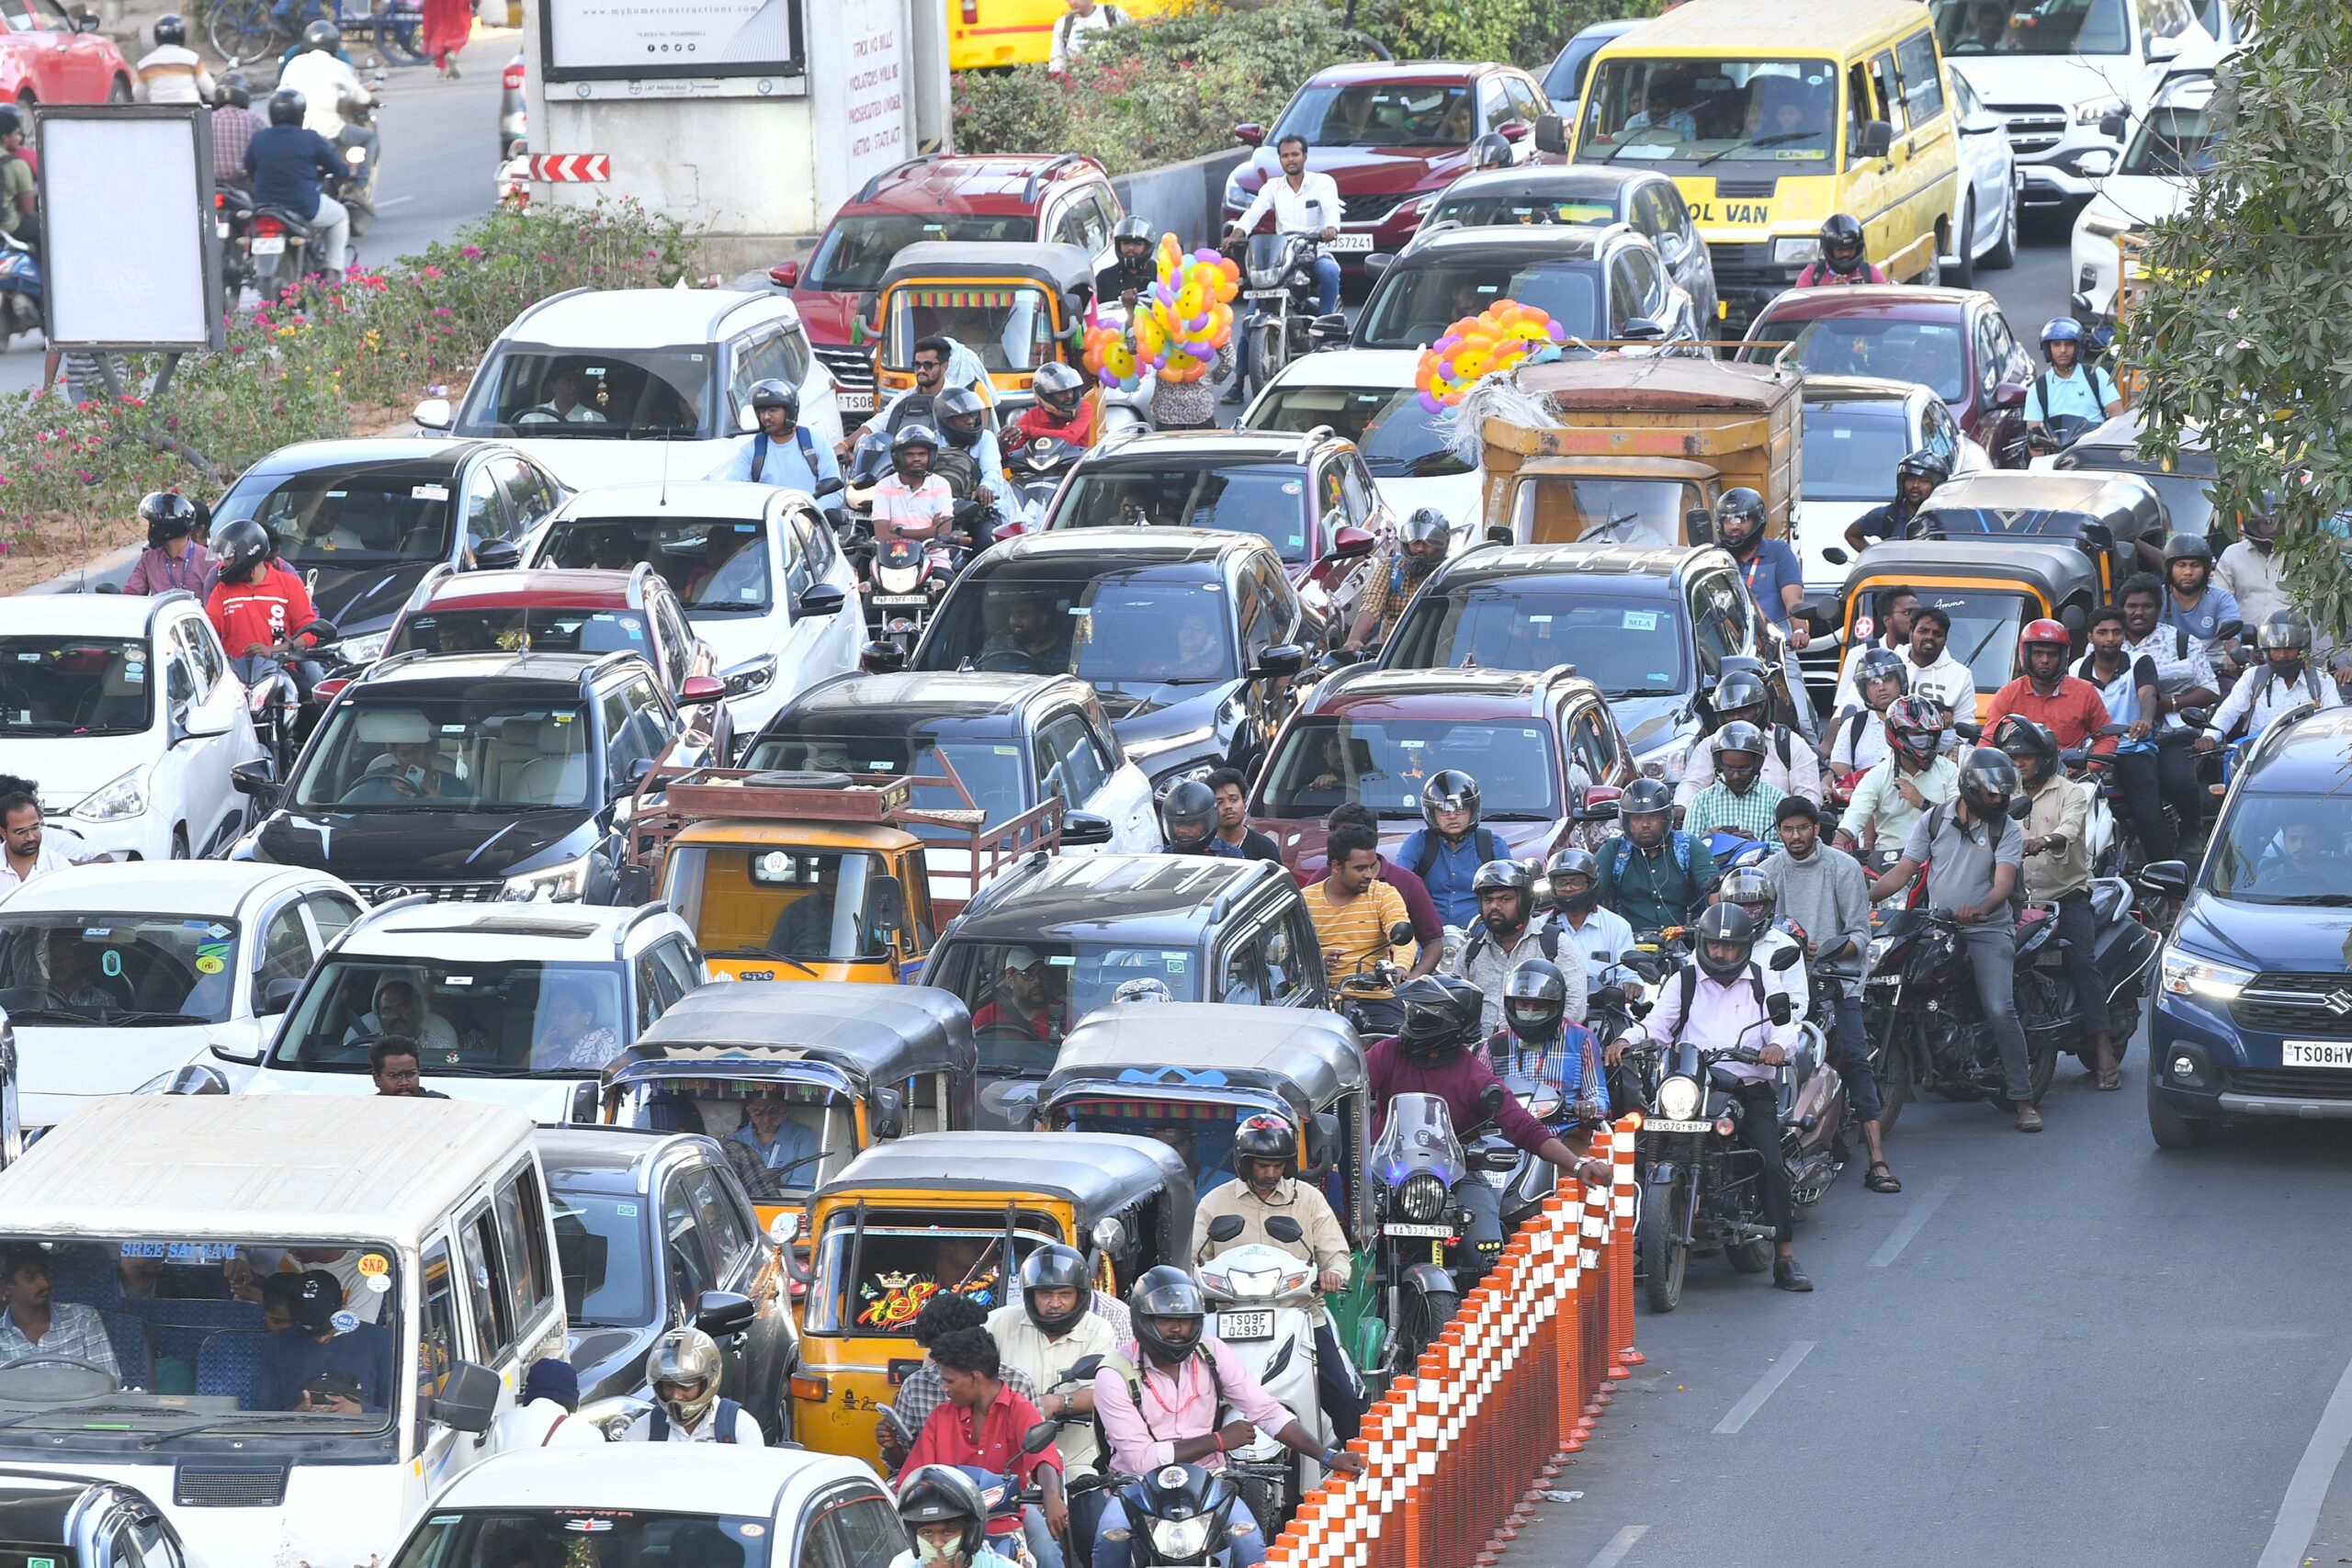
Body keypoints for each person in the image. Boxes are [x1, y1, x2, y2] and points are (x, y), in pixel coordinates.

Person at [1091, 1268, 1365, 1568]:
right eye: (1165, 1320)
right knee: (1109, 1540)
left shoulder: (1212, 1353)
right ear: (1143, 1321)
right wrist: (1219, 1440)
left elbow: (1267, 1411)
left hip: (1208, 1483)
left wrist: (1326, 1456)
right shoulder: (1113, 1372)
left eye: (1185, 1320)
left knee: (1247, 1540)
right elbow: (1142, 1460)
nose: (1177, 1329)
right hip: (1137, 1488)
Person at [1606, 905, 1813, 1288]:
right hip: (1691, 1085)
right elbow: (1657, 1026)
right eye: (1715, 946)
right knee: (1634, 1150)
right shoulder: (1683, 980)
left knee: (1769, 1162)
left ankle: (1784, 1255)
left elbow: (1785, 1029)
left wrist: (1777, 1048)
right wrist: (1625, 1040)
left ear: (1745, 947)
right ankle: (1635, 1240)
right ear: (1703, 943)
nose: (1721, 954)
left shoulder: (1763, 980)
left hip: (1748, 1088)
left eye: (1731, 948)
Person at [1368, 976, 1606, 1272]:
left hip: (1456, 1177)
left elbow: (1524, 1127)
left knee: (1488, 1256)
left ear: (1454, 1023)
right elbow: (1351, 1088)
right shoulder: (1386, 1053)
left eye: (1426, 1014)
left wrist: (1579, 1164)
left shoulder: (1475, 1075)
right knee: (1347, 1241)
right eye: (1414, 1010)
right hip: (1385, 1174)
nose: (1416, 1018)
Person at [1866, 748, 2042, 1131]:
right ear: (1970, 787)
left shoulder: (2006, 829)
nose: (1999, 800)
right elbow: (1901, 873)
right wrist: (1860, 902)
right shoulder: (1933, 819)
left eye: (2003, 794)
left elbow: (2003, 885)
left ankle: (2023, 1097)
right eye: (1992, 794)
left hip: (1988, 928)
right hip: (1935, 924)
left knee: (1999, 1007)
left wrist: (1978, 908)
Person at [1193, 1113, 1363, 1440]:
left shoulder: (1309, 1200)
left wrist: (1333, 1274)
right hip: (1229, 1319)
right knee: (1196, 1401)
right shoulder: (1214, 1203)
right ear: (1244, 1164)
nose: (1271, 1174)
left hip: (1301, 1316)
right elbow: (1192, 1259)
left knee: (1342, 1398)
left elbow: (1336, 1254)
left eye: (1278, 1166)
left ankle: (1361, 1475)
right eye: (1262, 1166)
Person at [1761, 795, 1892, 1188]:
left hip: (1838, 976)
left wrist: (1828, 947)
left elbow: (1859, 933)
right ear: (1779, 831)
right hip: (1784, 979)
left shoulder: (1844, 867)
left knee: (1854, 1057)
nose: (1796, 835)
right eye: (1788, 829)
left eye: (1803, 827)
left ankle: (1877, 1160)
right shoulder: (1768, 871)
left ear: (1816, 829)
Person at [1995, 716, 2118, 1089]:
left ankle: (2104, 1050)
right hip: (2018, 902)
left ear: (2044, 758)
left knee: (2083, 962)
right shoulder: (2001, 792)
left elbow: (2069, 829)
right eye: (2013, 757)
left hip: (2065, 898)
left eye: (2027, 757)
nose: (2019, 763)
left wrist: (2042, 841)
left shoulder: (2071, 792)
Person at [903, 1327, 1065, 1557]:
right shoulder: (940, 1417)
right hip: (947, 1523)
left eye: (949, 1381)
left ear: (974, 1377)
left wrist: (1051, 1495)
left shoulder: (1019, 1409)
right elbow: (916, 1475)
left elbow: (1043, 1456)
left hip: (1004, 1514)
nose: (943, 1388)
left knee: (1049, 1554)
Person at [984, 1245, 1121, 1503]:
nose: (1055, 1303)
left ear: (1080, 1296)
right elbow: (954, 1350)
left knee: (1092, 1525)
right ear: (1030, 1295)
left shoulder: (1098, 1330)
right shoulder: (1000, 1322)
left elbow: (1104, 1388)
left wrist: (1059, 1403)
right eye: (1045, 1293)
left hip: (1074, 1461)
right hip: (1009, 1459)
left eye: (1064, 1294)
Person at [881, 1294, 1045, 1471]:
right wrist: (891, 1446)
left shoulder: (1017, 1384)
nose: (935, 1357)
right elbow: (905, 1465)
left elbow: (1039, 1453)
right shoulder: (916, 1388)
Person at [2118, 572, 2218, 855]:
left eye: (2146, 606)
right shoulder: (2109, 642)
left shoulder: (2181, 641)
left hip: (2171, 733)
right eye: (2132, 606)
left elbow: (2211, 689)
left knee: (2177, 777)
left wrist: (2171, 703)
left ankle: (2190, 831)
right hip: (2120, 735)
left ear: (2158, 608)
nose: (2138, 612)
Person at [1307, 823, 1433, 1032]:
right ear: (1337, 866)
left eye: (1371, 866)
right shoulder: (1305, 900)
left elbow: (1402, 934)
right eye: (1360, 868)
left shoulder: (1384, 893)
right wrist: (1317, 965)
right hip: (1320, 1001)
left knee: (1395, 1042)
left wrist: (1401, 967)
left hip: (1376, 998)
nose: (1369, 874)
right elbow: (1288, 957)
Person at [1448, 859, 1584, 1036]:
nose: (1495, 906)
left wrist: (1540, 1038)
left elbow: (1575, 1006)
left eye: (1505, 899)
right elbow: (1453, 1006)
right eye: (1488, 900)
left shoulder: (1554, 944)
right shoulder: (1470, 952)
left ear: (1525, 900)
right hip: (1479, 1054)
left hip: (1540, 1052)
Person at [1224, 134, 1344, 319]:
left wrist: (1330, 229)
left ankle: (1325, 328)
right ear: (1280, 159)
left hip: (1314, 252)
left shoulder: (1322, 182)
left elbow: (1330, 211)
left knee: (1330, 272)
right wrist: (1235, 235)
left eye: (1295, 154)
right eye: (1285, 156)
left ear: (1305, 156)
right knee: (1253, 309)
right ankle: (1245, 345)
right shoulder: (1272, 187)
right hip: (1283, 256)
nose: (1290, 160)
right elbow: (1252, 214)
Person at [1673, 668, 1820, 809]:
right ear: (1721, 715)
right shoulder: (1709, 745)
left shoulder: (1789, 743)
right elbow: (1692, 784)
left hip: (1776, 830)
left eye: (1744, 710)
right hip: (1720, 829)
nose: (1737, 717)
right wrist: (1682, 807)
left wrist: (1790, 820)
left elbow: (1808, 797)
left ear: (1760, 708)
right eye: (1730, 713)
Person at [244, 88, 350, 285]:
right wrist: (343, 173)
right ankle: (332, 269)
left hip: (265, 207)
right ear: (301, 114)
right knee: (340, 216)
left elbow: (249, 169)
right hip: (303, 206)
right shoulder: (310, 138)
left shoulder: (259, 138)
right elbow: (339, 169)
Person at [1312, 803, 1445, 953]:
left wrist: (1410, 974)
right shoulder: (1320, 881)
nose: (1332, 844)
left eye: (1342, 837)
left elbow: (1433, 942)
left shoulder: (1407, 883)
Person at [1835, 695, 1957, 857]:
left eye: (1931, 736)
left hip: (1939, 860)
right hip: (1888, 862)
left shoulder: (1949, 770)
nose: (1926, 743)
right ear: (1897, 735)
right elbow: (1855, 815)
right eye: (1918, 736)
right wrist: (1838, 844)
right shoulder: (1877, 776)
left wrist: (1923, 802)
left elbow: (1961, 818)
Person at [257, 1269, 394, 1412]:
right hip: (298, 1430)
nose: (322, 1339)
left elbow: (399, 1412)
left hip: (367, 1432)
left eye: (327, 1328)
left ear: (343, 1304)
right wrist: (295, 1414)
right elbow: (266, 1412)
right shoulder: (277, 1344)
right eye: (308, 1330)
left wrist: (361, 1411)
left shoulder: (379, 1340)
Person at [2200, 613, 2343, 749]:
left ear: (2302, 649)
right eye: (2276, 649)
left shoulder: (2321, 680)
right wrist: (2210, 737)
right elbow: (2228, 712)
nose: (2282, 655)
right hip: (2258, 760)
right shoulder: (2253, 677)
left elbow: (2336, 721)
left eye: (2289, 649)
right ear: (2267, 649)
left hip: (2306, 758)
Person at [1597, 778, 1717, 936]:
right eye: (1636, 818)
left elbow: (1714, 893)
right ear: (1625, 821)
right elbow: (1589, 895)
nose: (1645, 824)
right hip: (1628, 945)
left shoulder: (1687, 846)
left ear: (1666, 817)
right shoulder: (1614, 849)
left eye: (1652, 817)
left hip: (1685, 943)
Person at [1982, 618, 2117, 755]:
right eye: (2038, 653)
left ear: (2063, 657)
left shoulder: (2085, 692)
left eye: (2052, 654)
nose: (2045, 660)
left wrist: (2088, 765)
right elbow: (1988, 741)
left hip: (2069, 774)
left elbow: (2108, 737)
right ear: (2026, 655)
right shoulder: (2007, 694)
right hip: (2019, 772)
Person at [1396, 770, 1504, 931]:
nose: (1452, 816)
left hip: (1482, 937)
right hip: (1428, 937)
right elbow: (1396, 884)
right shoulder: (1418, 842)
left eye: (1460, 809)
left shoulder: (1492, 844)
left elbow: (1510, 893)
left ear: (1472, 810)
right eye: (1443, 809)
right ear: (1432, 813)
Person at [623, 1326, 765, 1444]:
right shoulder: (645, 1428)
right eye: (668, 1386)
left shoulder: (740, 1426)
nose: (675, 1396)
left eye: (685, 1387)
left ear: (707, 1382)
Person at [0, 1244, 121, 1382]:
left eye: (44, 1273)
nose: (44, 1283)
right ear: (5, 1288)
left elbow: (110, 1382)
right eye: (31, 1277)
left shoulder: (83, 1319)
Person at [1712, 488, 1809, 654]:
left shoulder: (1779, 552)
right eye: (1728, 521)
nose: (1734, 526)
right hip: (1725, 653)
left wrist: (1799, 630)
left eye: (1742, 519)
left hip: (1775, 651)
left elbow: (1794, 601)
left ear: (1757, 519)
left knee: (1793, 680)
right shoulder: (1713, 556)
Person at [1342, 508, 1448, 655]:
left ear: (1440, 546)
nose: (1419, 549)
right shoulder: (1389, 568)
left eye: (1427, 544)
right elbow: (1371, 604)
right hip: (1392, 658)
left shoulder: (1449, 574)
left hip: (1437, 657)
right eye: (1415, 542)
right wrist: (1354, 639)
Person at [1546, 846, 1639, 1006]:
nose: (1568, 888)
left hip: (1602, 1013)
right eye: (1561, 883)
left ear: (1591, 884)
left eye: (1575, 882)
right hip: (1551, 1012)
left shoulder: (1617, 926)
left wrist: (1631, 985)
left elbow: (1628, 974)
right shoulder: (1541, 927)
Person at [715, 379, 841, 493]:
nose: (766, 417)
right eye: (761, 412)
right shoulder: (750, 451)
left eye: (773, 410)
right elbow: (732, 491)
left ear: (790, 410)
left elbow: (835, 494)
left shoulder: (816, 443)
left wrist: (805, 514)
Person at [2023, 317, 2124, 440]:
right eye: (2056, 345)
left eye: (2069, 344)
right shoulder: (2038, 389)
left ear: (2078, 347)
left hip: (2093, 447)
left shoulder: (2096, 375)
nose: (2063, 350)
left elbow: (2117, 415)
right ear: (2048, 349)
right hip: (2057, 453)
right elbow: (2035, 435)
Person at [1827, 584, 1921, 716]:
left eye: (1918, 614)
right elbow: (1842, 708)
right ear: (1887, 620)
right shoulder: (1860, 654)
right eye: (1907, 613)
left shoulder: (1926, 657)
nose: (1915, 619)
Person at [1683, 722, 1787, 840]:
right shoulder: (1701, 801)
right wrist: (1704, 840)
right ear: (1719, 764)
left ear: (1757, 765)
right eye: (1729, 767)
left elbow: (1792, 851)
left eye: (1743, 768)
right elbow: (1685, 850)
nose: (1736, 776)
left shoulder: (1777, 800)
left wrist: (1758, 846)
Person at [277, 21, 375, 146]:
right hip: (328, 131)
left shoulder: (294, 62)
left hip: (296, 130)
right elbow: (360, 95)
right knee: (370, 137)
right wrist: (372, 100)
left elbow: (280, 90)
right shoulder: (338, 65)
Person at [487, 1358, 606, 1452]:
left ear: (529, 1390)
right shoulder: (590, 1435)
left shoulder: (502, 1422)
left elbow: (486, 1471)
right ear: (573, 1396)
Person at [892, 1464, 1001, 1568]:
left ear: (970, 1536)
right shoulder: (901, 1564)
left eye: (948, 1532)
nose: (938, 1544)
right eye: (927, 1533)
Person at [1844, 450, 1949, 556]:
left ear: (1936, 485)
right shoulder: (1887, 516)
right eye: (1911, 479)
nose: (1915, 485)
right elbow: (1852, 534)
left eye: (1924, 480)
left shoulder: (1947, 520)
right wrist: (1876, 559)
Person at [873, 425, 961, 548]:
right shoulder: (883, 486)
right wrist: (930, 531)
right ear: (898, 457)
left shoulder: (941, 484)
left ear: (931, 457)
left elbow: (943, 531)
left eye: (922, 454)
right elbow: (882, 535)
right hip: (892, 556)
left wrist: (898, 532)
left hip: (933, 555)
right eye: (909, 454)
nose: (916, 459)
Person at [1826, 647, 1906, 780]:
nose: (1881, 687)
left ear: (1900, 681)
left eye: (1887, 679)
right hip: (1862, 797)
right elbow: (1838, 777)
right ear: (1864, 689)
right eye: (1873, 682)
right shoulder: (1852, 726)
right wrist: (1826, 785)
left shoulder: (1919, 717)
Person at [2159, 534, 2241, 663]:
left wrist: (2233, 654)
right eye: (2181, 565)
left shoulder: (2222, 598)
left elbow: (2231, 637)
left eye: (2195, 565)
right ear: (2169, 569)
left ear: (2206, 569)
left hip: (2213, 668)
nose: (2188, 572)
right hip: (2167, 666)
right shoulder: (2157, 597)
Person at [126, 491, 219, 597]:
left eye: (154, 524)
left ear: (166, 528)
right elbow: (130, 595)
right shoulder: (148, 559)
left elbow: (220, 602)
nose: (150, 529)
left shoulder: (209, 560)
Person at [2216, 494, 2289, 630]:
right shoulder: (2233, 555)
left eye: (2280, 522)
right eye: (2268, 522)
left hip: (2290, 642)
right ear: (2252, 523)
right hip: (2245, 641)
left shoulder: (2301, 558)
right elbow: (2220, 602)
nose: (2275, 528)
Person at [1890, 603, 1975, 716]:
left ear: (1945, 639)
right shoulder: (1889, 665)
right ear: (1911, 634)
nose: (1930, 637)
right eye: (1923, 631)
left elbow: (1965, 725)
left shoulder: (1961, 675)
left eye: (1937, 633)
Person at [727, 1087, 823, 1185]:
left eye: (773, 1112)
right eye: (758, 1113)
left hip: (789, 1199)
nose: (766, 1120)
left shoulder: (803, 1136)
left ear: (783, 1108)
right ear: (748, 1110)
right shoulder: (735, 1141)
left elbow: (802, 1183)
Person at [972, 947, 1069, 1044]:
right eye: (1027, 974)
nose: (1037, 980)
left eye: (1043, 973)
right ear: (1011, 981)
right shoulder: (989, 1015)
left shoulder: (1067, 1015)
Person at [935, 388, 1002, 512]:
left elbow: (992, 470)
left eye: (973, 415)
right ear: (946, 420)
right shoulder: (934, 440)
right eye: (962, 417)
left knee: (988, 531)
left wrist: (985, 487)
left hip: (981, 507)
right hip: (939, 507)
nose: (970, 421)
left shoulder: (986, 438)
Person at [978, 589, 1071, 676]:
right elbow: (979, 671)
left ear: (1042, 619)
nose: (1014, 620)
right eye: (1012, 614)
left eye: (1022, 614)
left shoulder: (1067, 651)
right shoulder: (999, 644)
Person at [1148, 340, 1235, 432]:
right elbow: (1229, 360)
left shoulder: (1159, 325)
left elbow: (1135, 347)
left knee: (1170, 445)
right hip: (1199, 403)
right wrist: (1215, 377)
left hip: (1166, 405)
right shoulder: (1208, 326)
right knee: (1204, 445)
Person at [0, 792, 78, 894]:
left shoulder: (58, 867)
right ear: (3, 833)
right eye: (21, 832)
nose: (30, 837)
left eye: (35, 828)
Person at [1010, 362, 1096, 454]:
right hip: (1041, 467)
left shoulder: (1084, 407)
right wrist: (1004, 443)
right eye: (1061, 392)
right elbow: (1011, 453)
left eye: (1071, 390)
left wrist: (1027, 431)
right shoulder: (1030, 418)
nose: (1069, 396)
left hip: (1079, 465)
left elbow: (1068, 437)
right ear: (1046, 396)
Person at [135, 15, 216, 105]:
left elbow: (137, 96)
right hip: (190, 114)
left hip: (159, 115)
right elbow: (210, 90)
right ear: (182, 34)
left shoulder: (145, 64)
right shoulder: (192, 59)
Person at [1204, 768, 1282, 863]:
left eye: (1233, 800)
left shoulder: (1264, 846)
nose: (1228, 806)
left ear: (1244, 803)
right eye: (1220, 802)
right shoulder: (1203, 847)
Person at [1794, 213, 1887, 287]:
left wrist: (1862, 292)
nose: (1846, 253)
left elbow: (1886, 305)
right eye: (1840, 249)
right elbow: (1798, 307)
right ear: (1830, 249)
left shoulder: (1870, 273)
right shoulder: (1811, 275)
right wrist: (1829, 294)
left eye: (1850, 248)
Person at [211, 73, 265, 190]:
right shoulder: (252, 119)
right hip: (243, 185)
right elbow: (269, 145)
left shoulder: (208, 119)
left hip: (211, 185)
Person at [1048, 0, 1129, 73]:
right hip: (1080, 84)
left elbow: (1132, 49)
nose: (1072, 2)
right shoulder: (1063, 23)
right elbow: (1057, 62)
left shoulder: (1114, 14)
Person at [1095, 216, 1156, 310]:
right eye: (1126, 243)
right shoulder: (1104, 278)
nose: (1131, 248)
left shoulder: (1160, 274)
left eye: (1137, 243)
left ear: (1147, 246)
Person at [1159, 779, 1230, 856]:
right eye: (1178, 824)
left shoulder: (1229, 855)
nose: (1184, 830)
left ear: (1206, 824)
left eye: (1191, 823)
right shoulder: (1166, 856)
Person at [518, 365, 605, 426]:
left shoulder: (597, 420)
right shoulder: (532, 418)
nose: (574, 388)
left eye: (576, 383)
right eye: (568, 382)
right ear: (553, 386)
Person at [0, 107, 36, 250]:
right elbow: (28, 210)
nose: (20, 138)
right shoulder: (17, 165)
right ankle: (47, 270)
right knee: (47, 227)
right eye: (17, 134)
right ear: (5, 138)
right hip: (9, 227)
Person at [369, 1034, 450, 1099]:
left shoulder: (440, 1105)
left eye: (410, 1074)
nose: (404, 1083)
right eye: (394, 1076)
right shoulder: (365, 1111)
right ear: (377, 1079)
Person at [1623, 78, 1698, 139]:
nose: (1655, 109)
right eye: (1652, 105)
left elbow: (1689, 148)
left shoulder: (1685, 121)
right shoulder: (1634, 122)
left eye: (1661, 105)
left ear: (1669, 104)